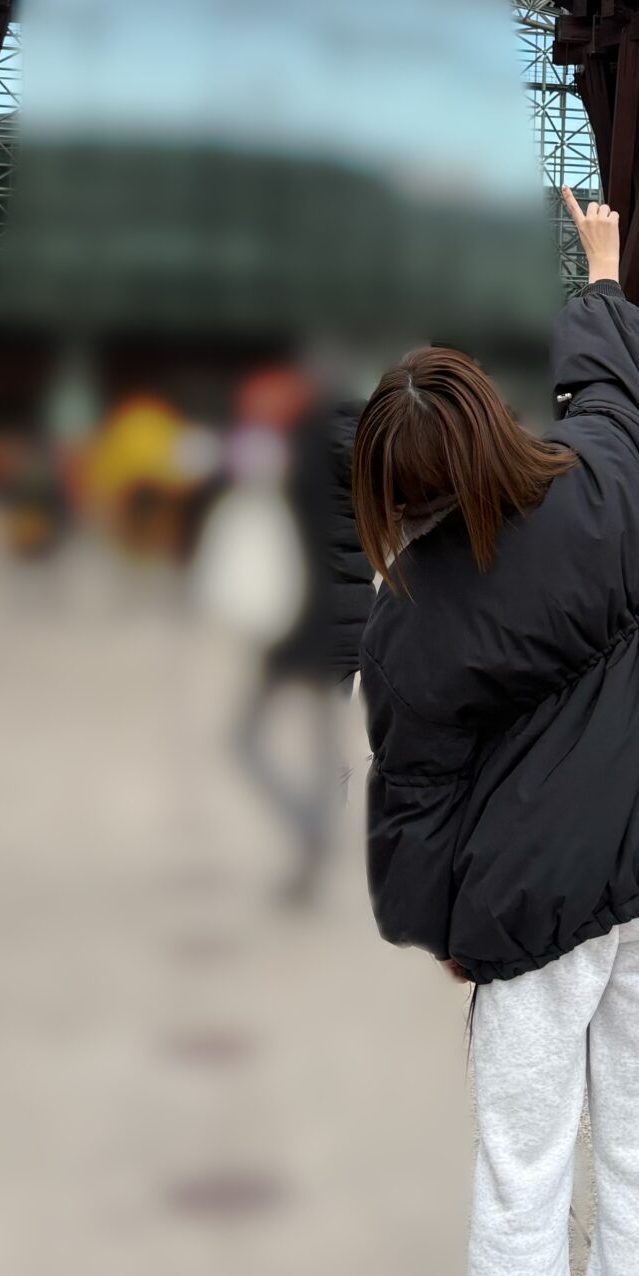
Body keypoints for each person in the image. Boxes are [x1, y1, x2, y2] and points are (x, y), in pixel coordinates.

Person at [355, 192, 639, 1276]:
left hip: (525, 921)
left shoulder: (410, 619)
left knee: (524, 1166)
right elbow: (618, 387)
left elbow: (413, 795)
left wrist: (435, 924)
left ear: (391, 488)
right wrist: (602, 272)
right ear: (495, 422)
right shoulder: (612, 490)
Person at [222, 372, 371, 906]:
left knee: (245, 740)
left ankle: (311, 839)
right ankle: (315, 845)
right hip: (350, 618)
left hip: (303, 622)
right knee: (322, 744)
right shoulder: (365, 457)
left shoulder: (301, 450)